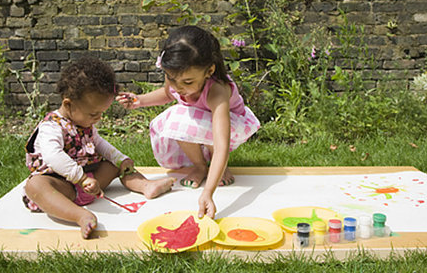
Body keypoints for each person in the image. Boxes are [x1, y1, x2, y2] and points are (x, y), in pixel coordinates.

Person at [23, 56, 175, 239]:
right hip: (63, 187)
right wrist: (80, 178)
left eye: (101, 113)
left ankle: (145, 185)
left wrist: (120, 158)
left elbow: (100, 143)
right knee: (35, 185)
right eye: (94, 113)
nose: (98, 118)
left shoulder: (84, 122)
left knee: (113, 164)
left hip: (90, 184)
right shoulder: (51, 127)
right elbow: (52, 156)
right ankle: (79, 215)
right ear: (68, 104)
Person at [116, 26, 260, 218]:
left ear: (209, 71)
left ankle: (220, 169)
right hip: (197, 122)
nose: (179, 87)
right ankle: (199, 165)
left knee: (183, 118)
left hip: (233, 126)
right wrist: (140, 100)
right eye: (171, 79)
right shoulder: (177, 76)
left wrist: (208, 192)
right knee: (177, 119)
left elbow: (221, 143)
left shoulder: (217, 90)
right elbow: (168, 93)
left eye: (188, 82)